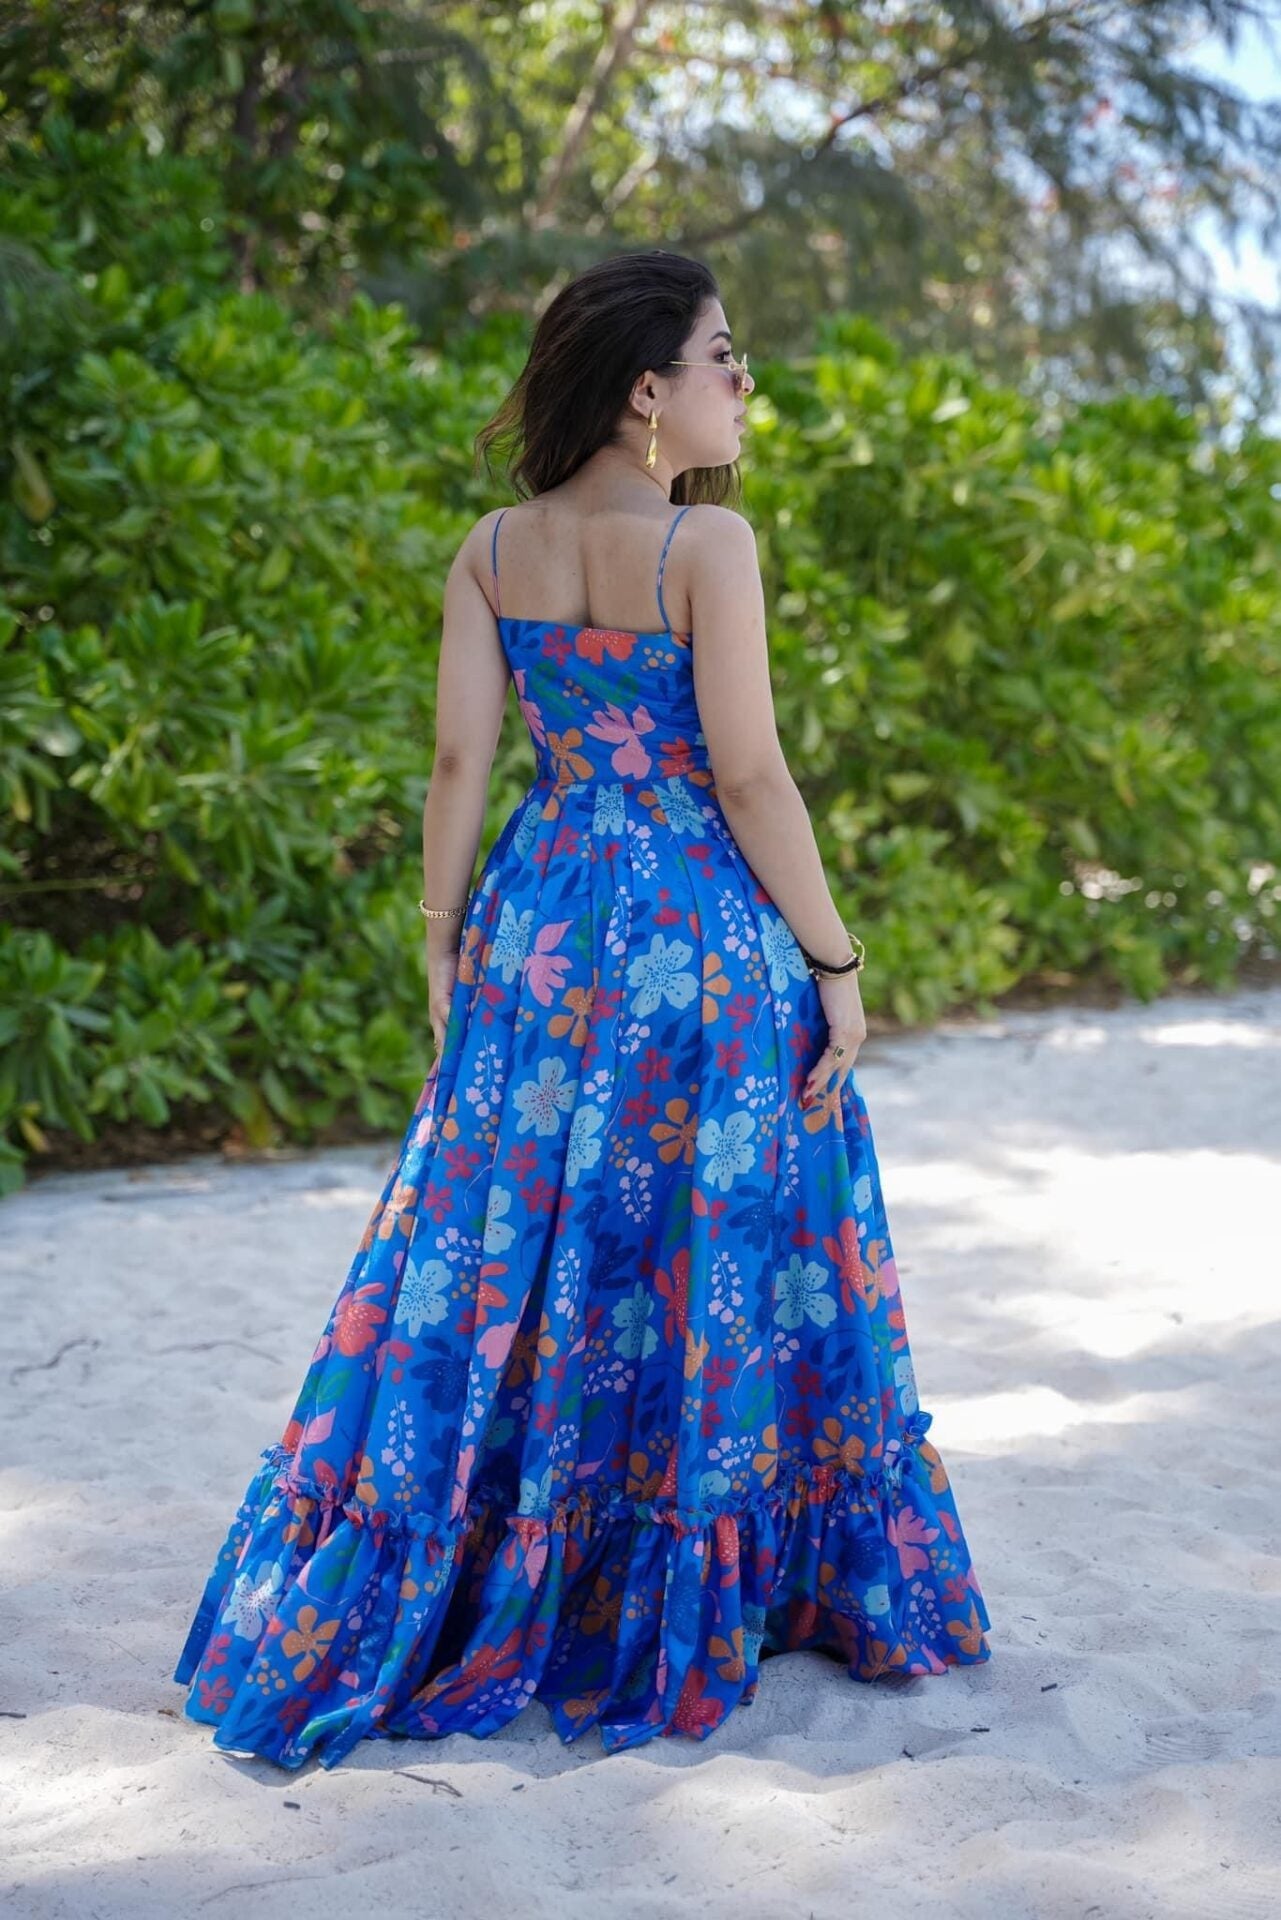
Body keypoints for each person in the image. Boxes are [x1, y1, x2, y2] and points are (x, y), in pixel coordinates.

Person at [174, 249, 992, 1770]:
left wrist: (440, 945)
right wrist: (836, 962)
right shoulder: (706, 547)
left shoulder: (492, 550)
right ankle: (680, 1568)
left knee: (511, 1238)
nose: (743, 382)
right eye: (724, 355)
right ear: (644, 388)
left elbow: (456, 767)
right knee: (701, 1242)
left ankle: (487, 1555)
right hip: (691, 932)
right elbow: (748, 775)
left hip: (540, 927)